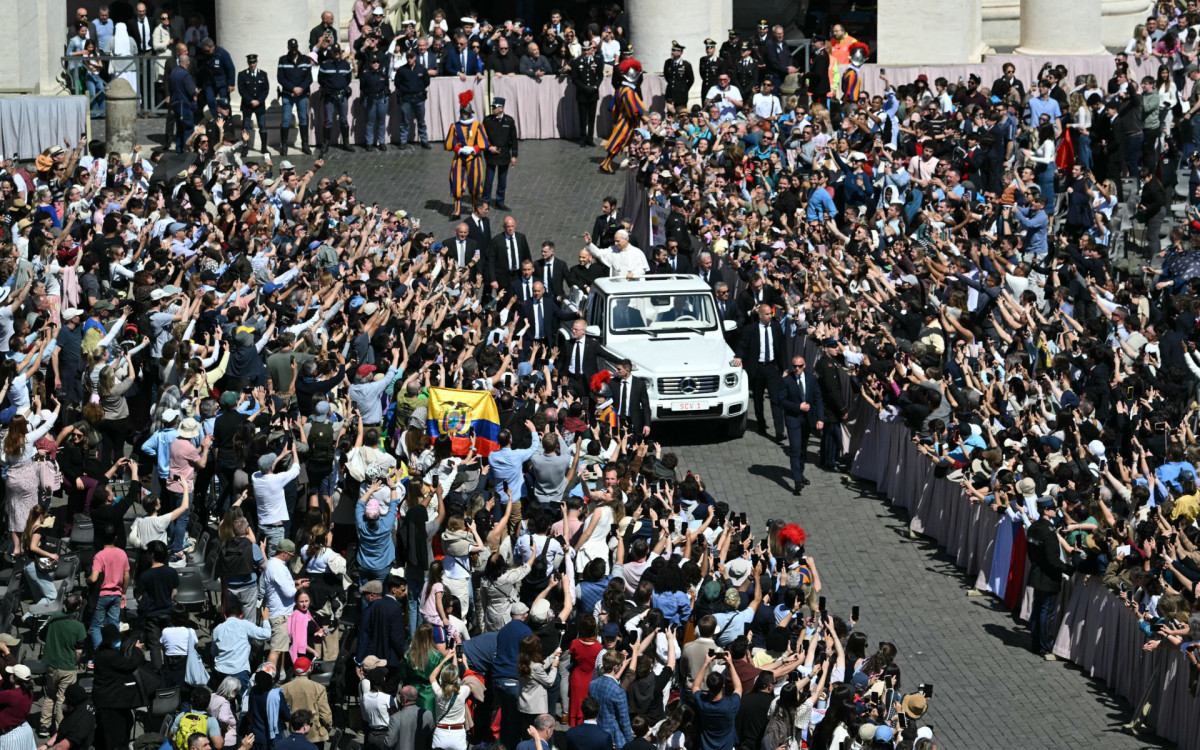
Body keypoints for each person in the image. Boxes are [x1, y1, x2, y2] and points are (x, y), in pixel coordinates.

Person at [736, 305, 786, 443]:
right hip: (757, 368)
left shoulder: (776, 327)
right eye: (767, 314)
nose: (770, 316)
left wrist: (785, 368)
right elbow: (742, 345)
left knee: (776, 399)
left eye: (771, 314)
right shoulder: (751, 329)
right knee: (758, 399)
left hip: (771, 367)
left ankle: (779, 431)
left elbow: (782, 348)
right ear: (760, 315)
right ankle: (761, 424)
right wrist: (738, 357)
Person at [445, 91, 490, 220]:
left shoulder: (477, 126)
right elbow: (450, 143)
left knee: (475, 185)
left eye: (466, 113)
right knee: (457, 184)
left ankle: (476, 209)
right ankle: (457, 209)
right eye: (462, 113)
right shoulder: (455, 126)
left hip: (474, 159)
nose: (464, 115)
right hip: (459, 159)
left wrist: (474, 149)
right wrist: (459, 149)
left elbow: (484, 143)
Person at [600, 59, 645, 173]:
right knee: (618, 143)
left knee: (630, 142)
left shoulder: (620, 89)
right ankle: (606, 163)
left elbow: (612, 106)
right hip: (627, 122)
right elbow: (633, 110)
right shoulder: (628, 92)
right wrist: (641, 116)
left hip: (623, 119)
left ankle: (632, 160)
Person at [277, 39, 313, 155]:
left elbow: (309, 78)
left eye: (295, 47)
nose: (293, 50)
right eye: (291, 48)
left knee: (303, 118)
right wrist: (293, 88)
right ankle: (284, 146)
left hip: (302, 95)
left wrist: (300, 89)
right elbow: (281, 78)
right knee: (286, 119)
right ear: (288, 48)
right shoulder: (283, 60)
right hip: (288, 94)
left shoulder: (305, 59)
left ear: (297, 47)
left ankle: (305, 145)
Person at [482, 99, 519, 211]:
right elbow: (482, 137)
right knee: (489, 180)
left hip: (504, 155)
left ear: (501, 108)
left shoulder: (509, 121)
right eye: (492, 107)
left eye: (495, 107)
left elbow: (514, 139)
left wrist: (514, 156)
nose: (493, 109)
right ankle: (486, 201)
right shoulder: (487, 120)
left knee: (502, 180)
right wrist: (489, 147)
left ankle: (500, 201)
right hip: (491, 154)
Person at [317, 45, 354, 154]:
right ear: (331, 52)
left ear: (341, 52)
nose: (337, 53)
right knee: (328, 121)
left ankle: (346, 143)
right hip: (329, 96)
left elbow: (348, 80)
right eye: (335, 51)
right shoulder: (325, 65)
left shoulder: (346, 65)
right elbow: (321, 80)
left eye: (338, 51)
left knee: (344, 120)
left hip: (342, 96)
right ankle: (326, 144)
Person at [394, 50, 431, 150]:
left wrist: (418, 88)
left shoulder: (421, 69)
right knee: (405, 121)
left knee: (421, 121)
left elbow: (427, 82)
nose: (409, 59)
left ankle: (424, 140)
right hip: (406, 99)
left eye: (411, 57)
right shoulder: (402, 70)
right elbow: (397, 83)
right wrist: (406, 89)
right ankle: (403, 141)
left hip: (419, 98)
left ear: (415, 57)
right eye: (408, 57)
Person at [571, 40, 604, 146]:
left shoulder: (597, 61)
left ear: (591, 50)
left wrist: (595, 87)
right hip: (582, 93)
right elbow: (575, 78)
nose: (586, 52)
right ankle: (583, 138)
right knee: (582, 117)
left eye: (588, 50)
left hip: (593, 93)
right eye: (584, 50)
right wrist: (584, 87)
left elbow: (600, 76)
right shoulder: (576, 62)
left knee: (591, 117)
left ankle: (590, 138)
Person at [238, 54, 270, 154]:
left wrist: (259, 101)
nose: (252, 64)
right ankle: (245, 147)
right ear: (248, 63)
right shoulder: (242, 74)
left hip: (260, 105)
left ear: (257, 62)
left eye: (254, 62)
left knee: (262, 126)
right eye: (250, 62)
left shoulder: (263, 74)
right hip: (247, 105)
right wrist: (251, 101)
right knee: (246, 127)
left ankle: (264, 147)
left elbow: (266, 89)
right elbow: (241, 90)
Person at [360, 54, 391, 152]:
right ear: (370, 64)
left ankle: (381, 142)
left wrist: (386, 91)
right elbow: (362, 87)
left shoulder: (383, 74)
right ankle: (369, 142)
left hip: (382, 99)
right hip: (370, 100)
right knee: (370, 122)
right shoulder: (366, 74)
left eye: (377, 61)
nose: (376, 63)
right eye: (373, 62)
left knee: (381, 122)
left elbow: (386, 85)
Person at [662, 41, 695, 114]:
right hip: (670, 94)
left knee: (682, 115)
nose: (672, 52)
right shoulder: (668, 63)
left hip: (681, 96)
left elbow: (691, 79)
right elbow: (667, 77)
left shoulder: (686, 65)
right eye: (672, 50)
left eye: (674, 50)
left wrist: (684, 88)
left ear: (680, 52)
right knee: (671, 115)